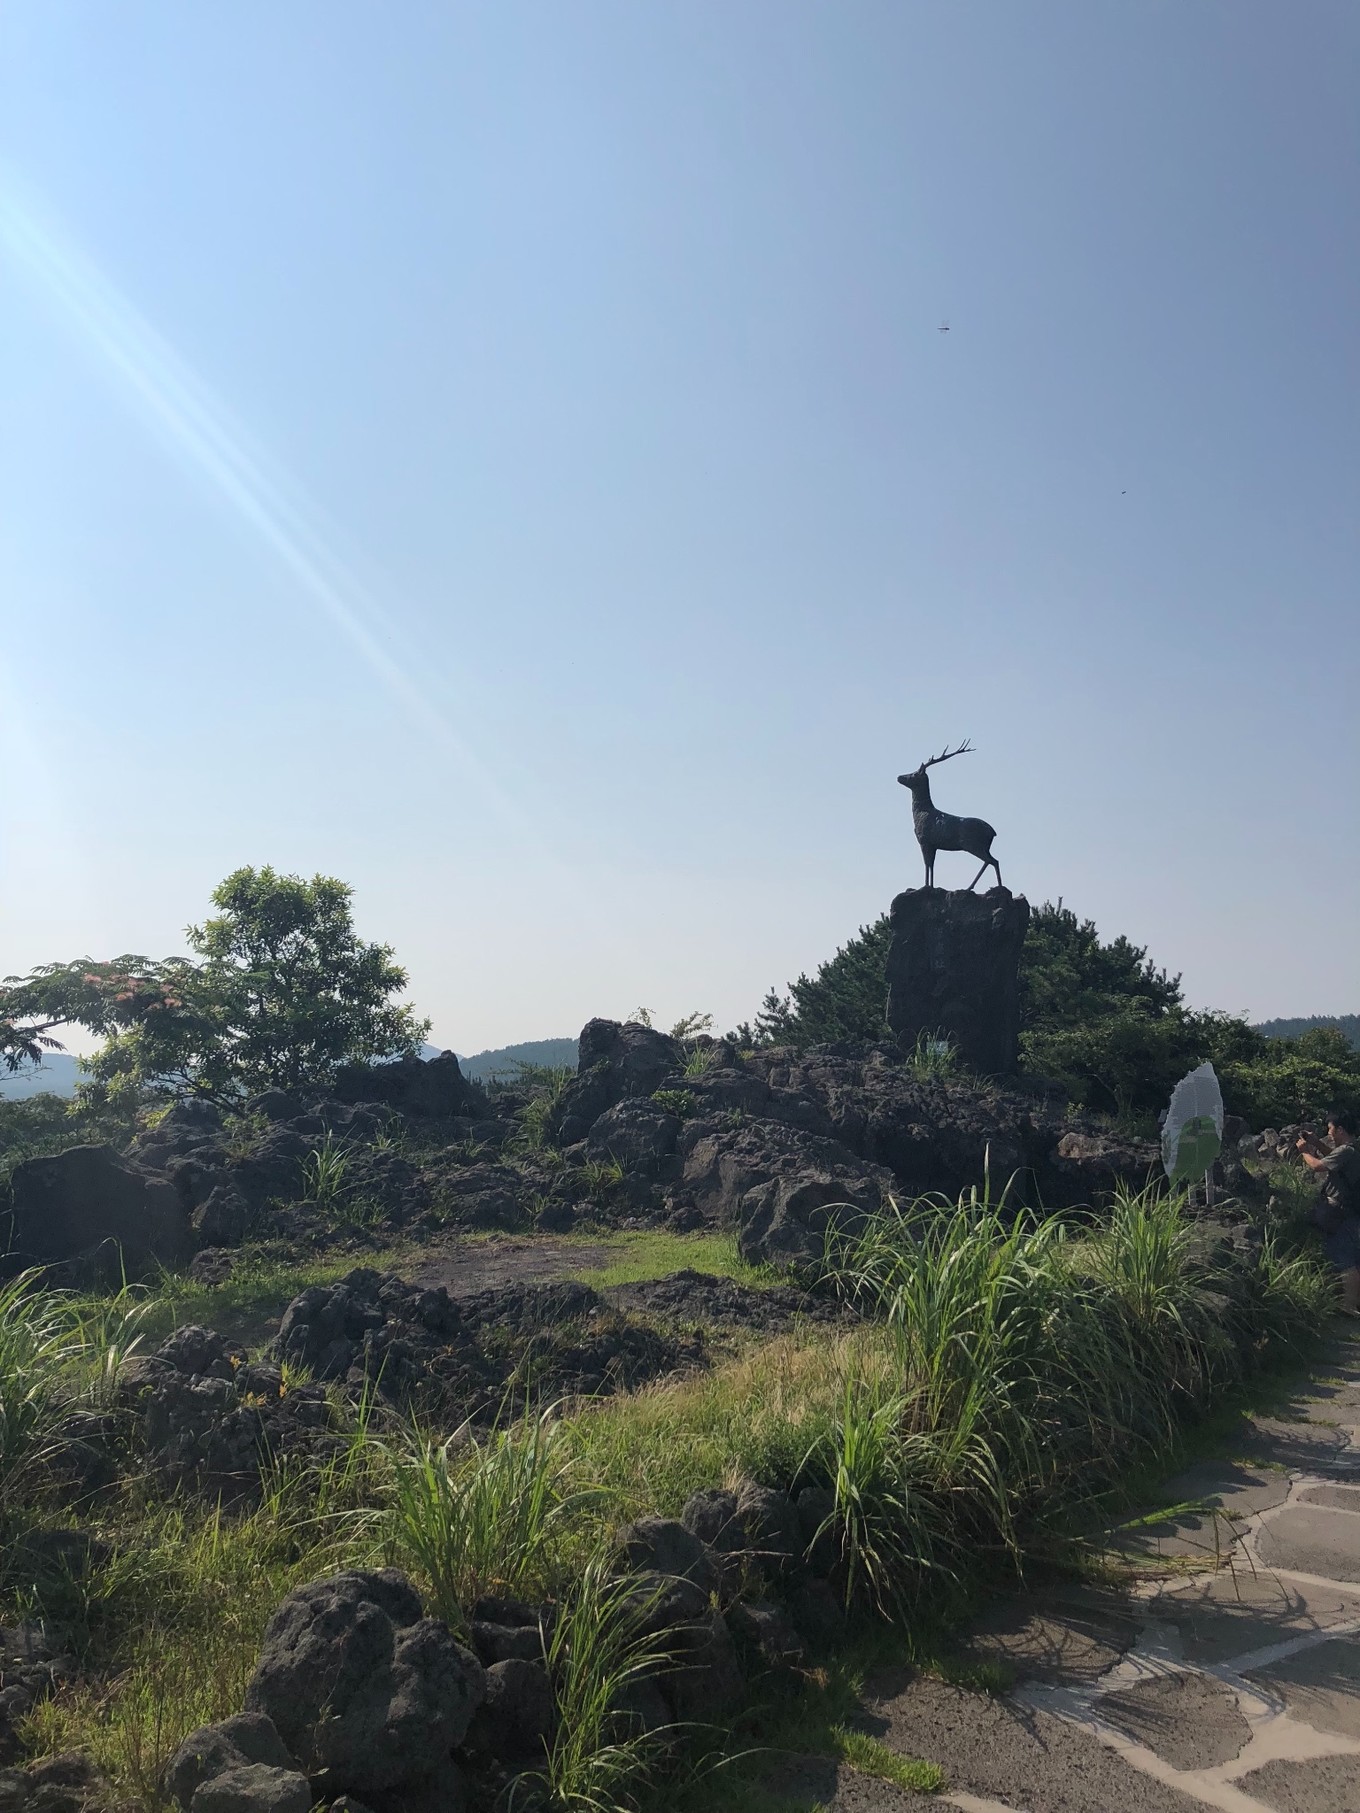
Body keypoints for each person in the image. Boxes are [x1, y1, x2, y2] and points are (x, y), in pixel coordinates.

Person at [1297, 1111, 1360, 1316]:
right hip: (1348, 1212)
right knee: (1348, 1255)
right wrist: (1317, 1142)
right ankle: (1351, 1303)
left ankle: (1349, 1307)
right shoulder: (1350, 1149)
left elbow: (1319, 1166)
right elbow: (1333, 1159)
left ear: (1340, 1129)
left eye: (1330, 1129)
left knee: (1344, 1258)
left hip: (1339, 1212)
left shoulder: (1347, 1152)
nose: (1329, 1133)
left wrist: (1305, 1151)